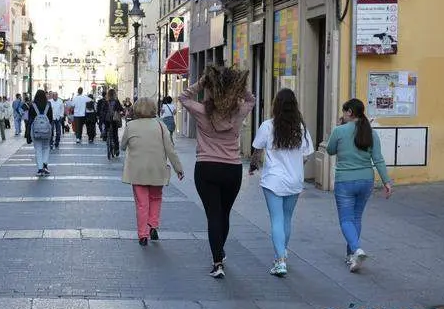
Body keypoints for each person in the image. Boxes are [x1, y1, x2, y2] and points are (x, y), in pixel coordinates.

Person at [179, 65, 255, 279]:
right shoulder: (238, 111)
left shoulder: (203, 111)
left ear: (210, 90)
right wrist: (237, 87)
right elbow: (251, 99)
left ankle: (217, 262)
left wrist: (202, 82)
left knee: (213, 215)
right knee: (224, 213)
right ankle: (219, 250)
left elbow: (183, 97)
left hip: (207, 168)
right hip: (232, 169)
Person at [249, 89, 315, 277]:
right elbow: (306, 156)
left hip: (273, 180)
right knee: (287, 218)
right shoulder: (301, 128)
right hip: (294, 180)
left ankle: (280, 261)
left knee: (276, 219)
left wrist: (253, 166)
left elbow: (257, 151)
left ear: (276, 105)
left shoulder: (268, 126)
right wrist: (294, 165)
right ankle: (282, 252)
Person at [326, 98, 392, 273]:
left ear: (349, 112)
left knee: (346, 219)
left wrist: (340, 131)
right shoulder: (370, 133)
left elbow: (330, 150)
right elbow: (378, 159)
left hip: (345, 181)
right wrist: (386, 181)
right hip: (365, 181)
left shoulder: (339, 131)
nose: (342, 114)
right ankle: (351, 256)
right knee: (356, 218)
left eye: (343, 111)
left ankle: (356, 250)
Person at [121, 98, 184, 246]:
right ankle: (153, 226)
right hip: (157, 169)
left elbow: (123, 146)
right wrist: (178, 169)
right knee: (155, 198)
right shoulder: (161, 126)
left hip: (137, 171)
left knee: (142, 204)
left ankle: (143, 235)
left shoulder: (131, 126)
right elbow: (170, 150)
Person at [26, 89, 54, 176]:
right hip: (46, 130)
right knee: (46, 147)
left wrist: (27, 132)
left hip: (36, 131)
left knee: (38, 148)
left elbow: (30, 119)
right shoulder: (48, 105)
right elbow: (51, 119)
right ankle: (45, 165)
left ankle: (40, 168)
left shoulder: (32, 105)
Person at [104, 89, 125, 157]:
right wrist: (122, 113)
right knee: (115, 134)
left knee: (107, 129)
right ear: (114, 94)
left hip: (107, 119)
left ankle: (106, 135)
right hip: (114, 120)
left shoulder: (106, 101)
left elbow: (103, 110)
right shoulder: (116, 101)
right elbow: (121, 109)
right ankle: (116, 149)